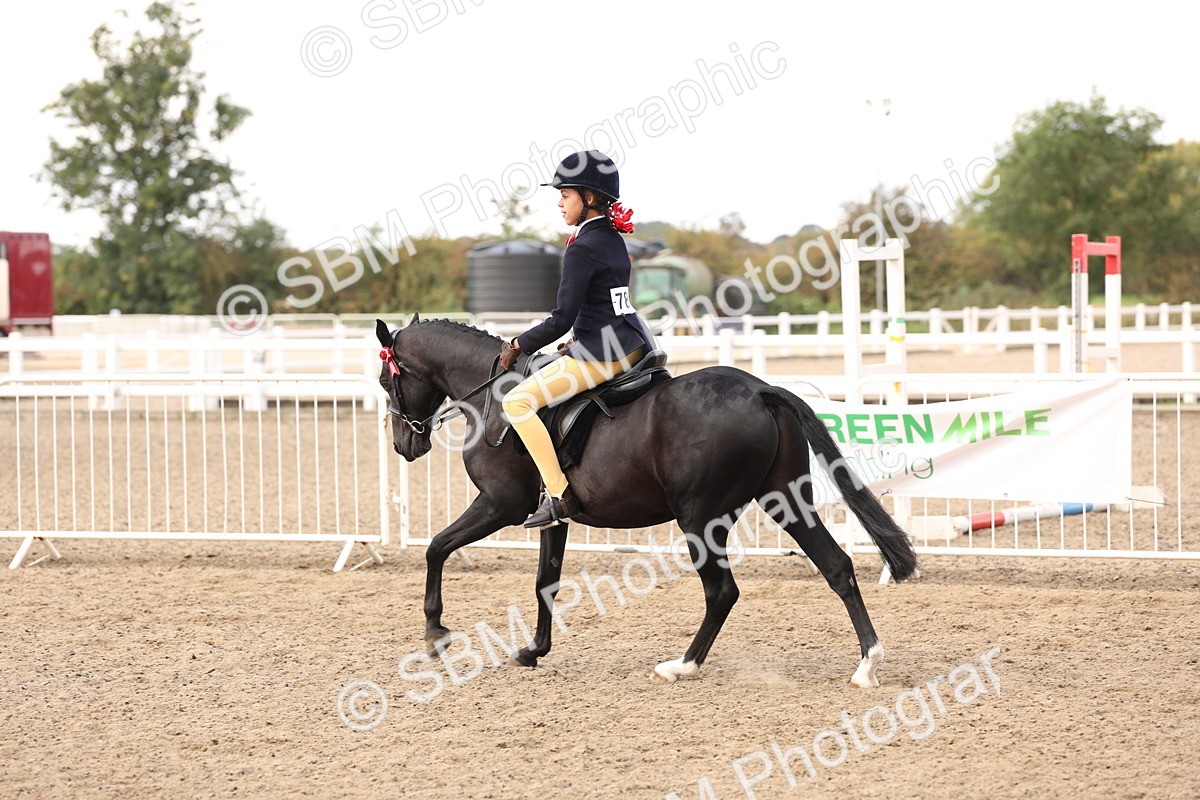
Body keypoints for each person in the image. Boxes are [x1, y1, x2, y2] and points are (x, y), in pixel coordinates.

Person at [500, 150, 651, 528]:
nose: (559, 203)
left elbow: (561, 318)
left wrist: (519, 344)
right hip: (632, 342)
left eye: (565, 195)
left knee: (517, 402)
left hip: (603, 355)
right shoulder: (611, 238)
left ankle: (559, 495)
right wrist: (577, 340)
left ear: (590, 197)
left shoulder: (582, 247)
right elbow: (604, 303)